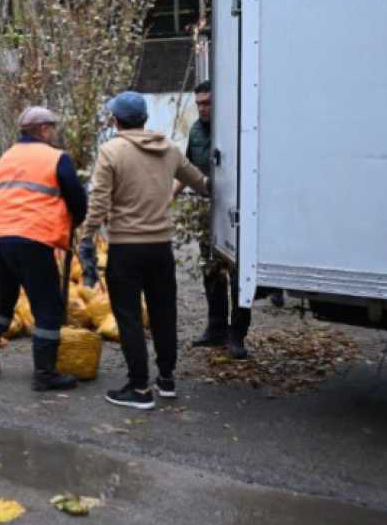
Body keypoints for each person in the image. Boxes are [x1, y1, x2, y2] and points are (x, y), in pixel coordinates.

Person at [80, 91, 208, 410]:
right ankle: (166, 379)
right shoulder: (169, 149)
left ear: (116, 120)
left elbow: (99, 202)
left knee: (130, 318)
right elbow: (200, 182)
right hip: (160, 247)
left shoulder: (112, 150)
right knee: (164, 312)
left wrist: (87, 235)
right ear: (145, 118)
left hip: (126, 247)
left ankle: (138, 389)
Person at [0, 106, 88, 391]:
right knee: (47, 304)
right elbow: (76, 197)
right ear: (42, 130)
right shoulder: (56, 158)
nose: (54, 133)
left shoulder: (7, 156)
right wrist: (77, 218)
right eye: (51, 128)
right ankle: (45, 374)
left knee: (3, 297)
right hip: (31, 238)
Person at [182, 80, 256, 359]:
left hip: (236, 212)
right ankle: (216, 329)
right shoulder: (196, 131)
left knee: (238, 274)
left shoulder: (234, 130)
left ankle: (237, 335)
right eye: (199, 103)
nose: (202, 108)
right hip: (206, 212)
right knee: (210, 271)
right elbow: (187, 167)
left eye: (207, 102)